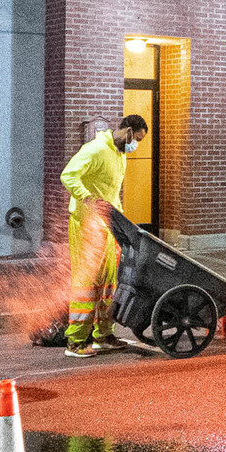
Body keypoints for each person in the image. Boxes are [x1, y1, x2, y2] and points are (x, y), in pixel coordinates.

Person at [60, 114, 147, 358]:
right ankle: (75, 342)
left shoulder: (120, 155)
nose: (136, 146)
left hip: (108, 225)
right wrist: (87, 199)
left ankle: (103, 335)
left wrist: (119, 216)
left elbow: (111, 192)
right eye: (137, 139)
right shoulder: (96, 149)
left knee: (109, 282)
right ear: (128, 131)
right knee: (87, 282)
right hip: (87, 223)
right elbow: (68, 175)